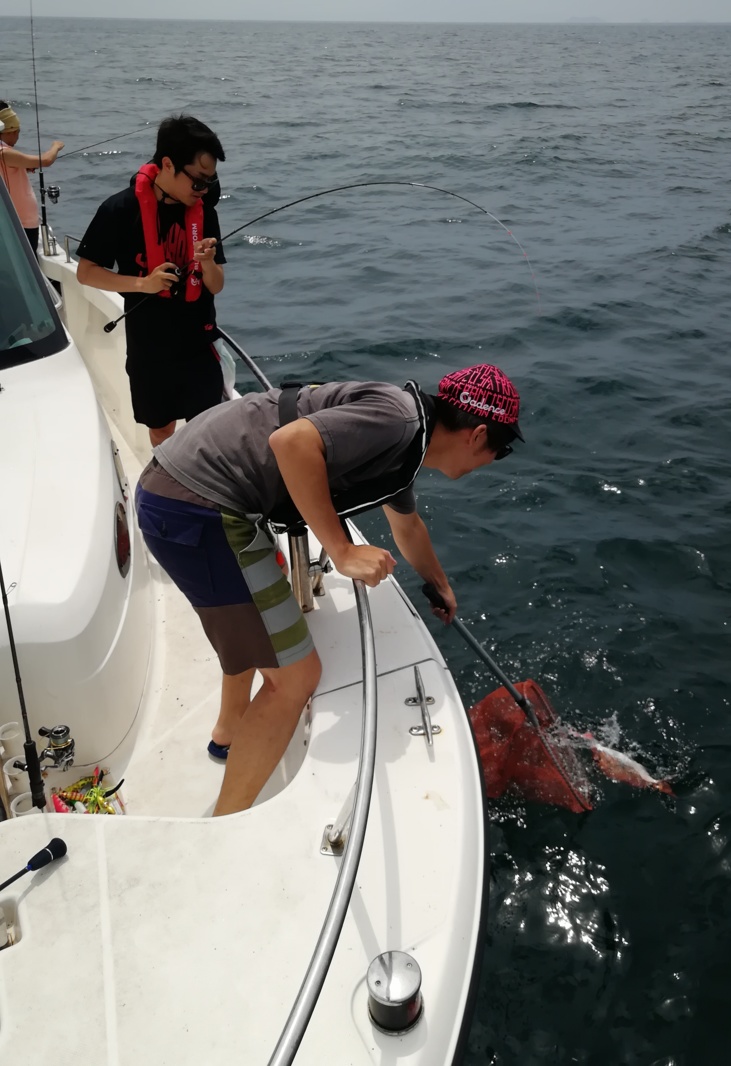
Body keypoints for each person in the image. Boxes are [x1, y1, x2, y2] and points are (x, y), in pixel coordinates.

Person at [135, 363, 525, 816]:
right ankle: (226, 820)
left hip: (185, 491)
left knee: (261, 619)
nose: (491, 463)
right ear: (478, 435)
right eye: (501, 451)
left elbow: (407, 525)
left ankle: (229, 730)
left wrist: (440, 585)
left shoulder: (405, 432)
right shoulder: (398, 423)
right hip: (195, 507)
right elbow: (292, 443)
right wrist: (341, 550)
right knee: (296, 678)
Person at [76, 114, 227, 447]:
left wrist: (208, 263)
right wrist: (143, 284)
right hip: (150, 348)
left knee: (209, 429)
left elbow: (215, 285)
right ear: (169, 165)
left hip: (198, 345)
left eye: (211, 183)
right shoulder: (119, 209)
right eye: (199, 181)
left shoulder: (206, 213)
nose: (204, 191)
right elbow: (86, 273)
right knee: (161, 429)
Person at [0, 102, 63, 252]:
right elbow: (46, 160)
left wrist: (23, 167)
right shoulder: (4, 153)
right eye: (17, 132)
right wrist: (56, 146)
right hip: (19, 224)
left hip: (18, 222)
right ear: (9, 131)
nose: (18, 137)